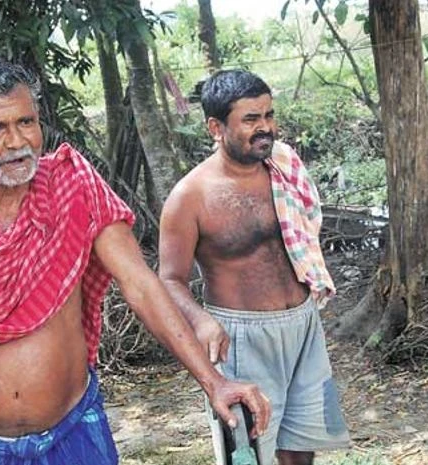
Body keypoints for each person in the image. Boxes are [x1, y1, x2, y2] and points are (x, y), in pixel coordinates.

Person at [0, 57, 270, 465]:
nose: (18, 141)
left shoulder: (72, 184)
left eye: (26, 122)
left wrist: (213, 380)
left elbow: (139, 284)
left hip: (75, 429)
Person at [159, 69, 350, 465]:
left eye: (268, 115)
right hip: (241, 338)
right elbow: (169, 279)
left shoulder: (283, 168)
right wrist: (201, 321)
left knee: (301, 449)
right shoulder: (190, 197)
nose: (265, 128)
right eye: (250, 119)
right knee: (250, 455)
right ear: (216, 127)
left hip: (303, 325)